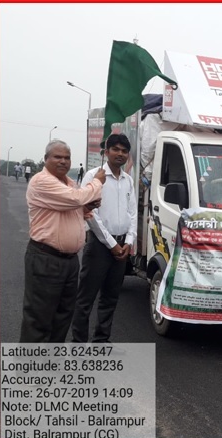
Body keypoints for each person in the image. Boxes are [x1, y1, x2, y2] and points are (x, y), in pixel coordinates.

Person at [20, 140, 105, 342]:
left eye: (67, 157)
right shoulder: (42, 181)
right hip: (46, 258)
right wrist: (97, 183)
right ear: (46, 159)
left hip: (69, 261)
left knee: (62, 318)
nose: (63, 161)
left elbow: (73, 209)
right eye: (57, 157)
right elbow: (75, 199)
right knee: (39, 319)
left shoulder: (69, 183)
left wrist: (86, 208)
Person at [71, 134, 137, 344]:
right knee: (86, 298)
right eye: (115, 149)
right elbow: (90, 215)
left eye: (124, 151)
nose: (120, 154)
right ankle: (79, 343)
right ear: (106, 152)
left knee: (110, 296)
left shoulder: (128, 180)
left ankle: (101, 340)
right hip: (99, 246)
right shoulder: (94, 176)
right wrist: (112, 244)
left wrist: (128, 241)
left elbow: (132, 212)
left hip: (122, 247)